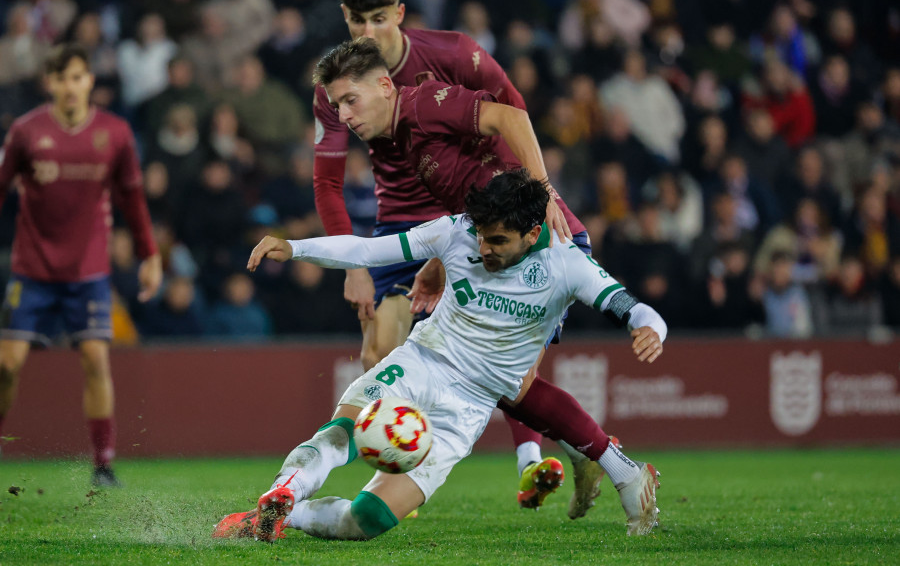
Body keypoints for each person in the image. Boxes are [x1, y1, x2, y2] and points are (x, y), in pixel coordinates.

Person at [214, 170, 666, 542]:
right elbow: (368, 250)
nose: (483, 248)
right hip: (421, 363)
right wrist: (295, 248)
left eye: (498, 241)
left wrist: (648, 329)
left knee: (366, 521)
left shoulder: (568, 266)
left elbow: (635, 308)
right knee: (343, 430)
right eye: (482, 237)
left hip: (467, 410)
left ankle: (286, 519)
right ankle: (280, 496)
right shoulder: (457, 230)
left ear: (532, 233)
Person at [312, 0, 600, 513]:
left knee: (503, 360)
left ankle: (546, 459)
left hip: (472, 216)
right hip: (400, 223)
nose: (368, 33)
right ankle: (403, 468)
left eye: (379, 19)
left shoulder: (453, 54)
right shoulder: (339, 88)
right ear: (345, 19)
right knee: (380, 352)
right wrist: (351, 264)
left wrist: (533, 204)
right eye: (357, 21)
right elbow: (326, 181)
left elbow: (511, 115)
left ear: (399, 13)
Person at [0, 44, 162, 485]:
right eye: (60, 78)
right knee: (6, 364)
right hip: (31, 268)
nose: (69, 87)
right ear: (48, 83)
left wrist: (150, 254)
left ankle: (103, 463)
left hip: (87, 271)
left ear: (89, 79)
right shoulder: (25, 132)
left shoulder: (114, 133)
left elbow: (132, 198)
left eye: (76, 77)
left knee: (95, 358)